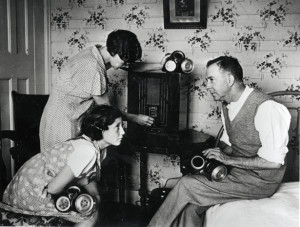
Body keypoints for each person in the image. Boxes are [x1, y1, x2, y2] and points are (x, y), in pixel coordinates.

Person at [148, 56, 291, 227]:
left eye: (211, 79)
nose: (207, 86)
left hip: (260, 182)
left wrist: (227, 160)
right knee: (190, 206)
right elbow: (229, 145)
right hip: (237, 174)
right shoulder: (227, 105)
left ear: (229, 79)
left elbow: (274, 162)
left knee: (187, 185)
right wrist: (213, 159)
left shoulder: (267, 108)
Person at [0, 105, 124, 226]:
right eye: (117, 127)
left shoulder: (97, 148)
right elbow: (53, 188)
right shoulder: (87, 151)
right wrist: (81, 185)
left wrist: (96, 195)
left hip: (29, 185)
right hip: (31, 191)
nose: (123, 132)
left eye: (122, 126)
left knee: (91, 203)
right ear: (100, 129)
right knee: (89, 212)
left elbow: (87, 176)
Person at [39, 29, 158, 152]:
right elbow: (107, 110)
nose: (126, 64)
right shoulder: (93, 68)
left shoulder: (97, 52)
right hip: (61, 123)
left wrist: (160, 65)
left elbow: (130, 66)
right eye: (125, 60)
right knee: (63, 165)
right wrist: (135, 118)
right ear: (115, 52)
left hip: (63, 116)